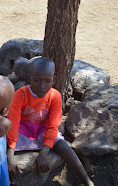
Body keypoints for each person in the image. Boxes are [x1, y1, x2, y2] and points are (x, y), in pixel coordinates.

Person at [6, 57, 94, 186]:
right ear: (30, 78)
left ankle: (86, 181)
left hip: (43, 131)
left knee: (64, 146)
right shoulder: (21, 94)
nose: (42, 86)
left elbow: (53, 127)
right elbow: (13, 123)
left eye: (47, 81)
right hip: (22, 130)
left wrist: (44, 153)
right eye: (37, 80)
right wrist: (10, 156)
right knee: (0, 142)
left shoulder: (55, 96)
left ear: (54, 80)